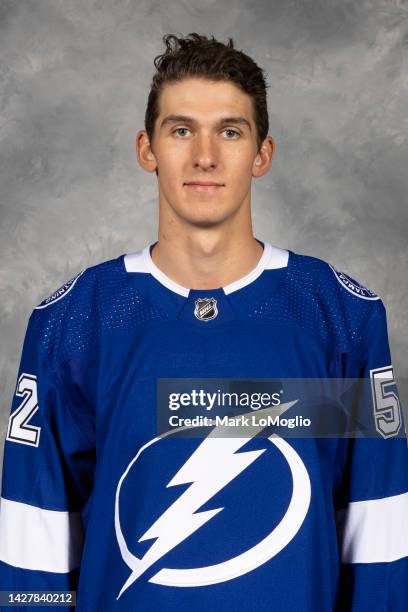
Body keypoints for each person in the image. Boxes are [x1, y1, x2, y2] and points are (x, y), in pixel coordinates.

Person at [0, 32, 407, 611]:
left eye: (231, 131)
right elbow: (31, 543)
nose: (205, 156)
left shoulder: (339, 317)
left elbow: (379, 533)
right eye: (182, 129)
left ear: (262, 154)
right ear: (148, 149)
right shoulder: (74, 322)